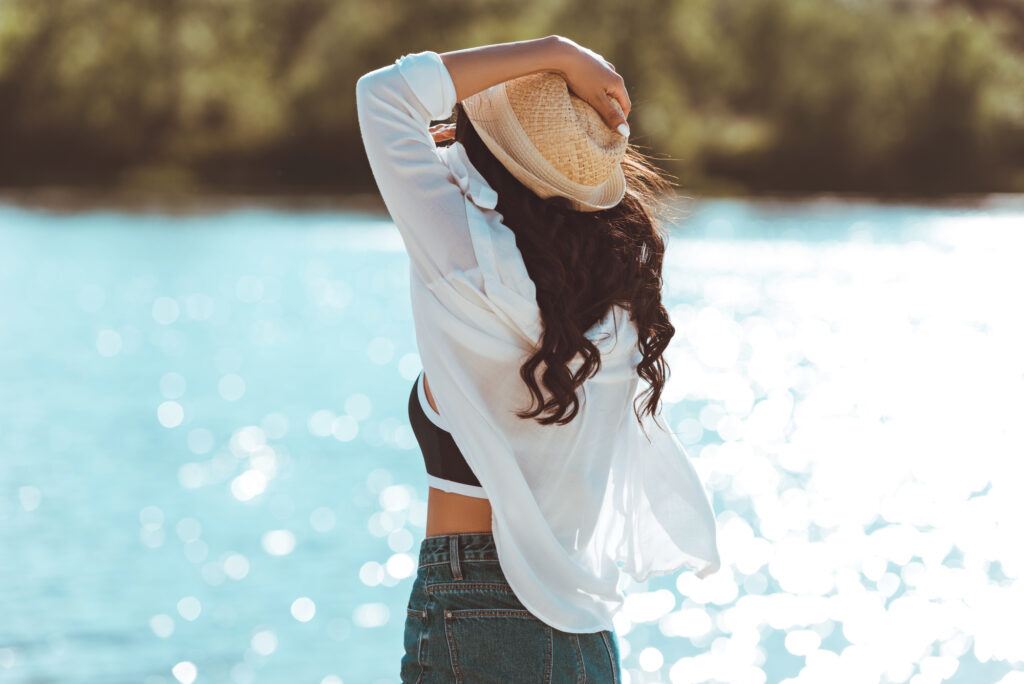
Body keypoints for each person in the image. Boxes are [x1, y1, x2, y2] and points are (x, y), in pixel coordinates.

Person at [355, 35, 721, 683]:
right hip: (586, 634)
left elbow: (384, 95)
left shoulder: (470, 263)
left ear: (486, 156)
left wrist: (554, 53)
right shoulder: (618, 311)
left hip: (475, 607)